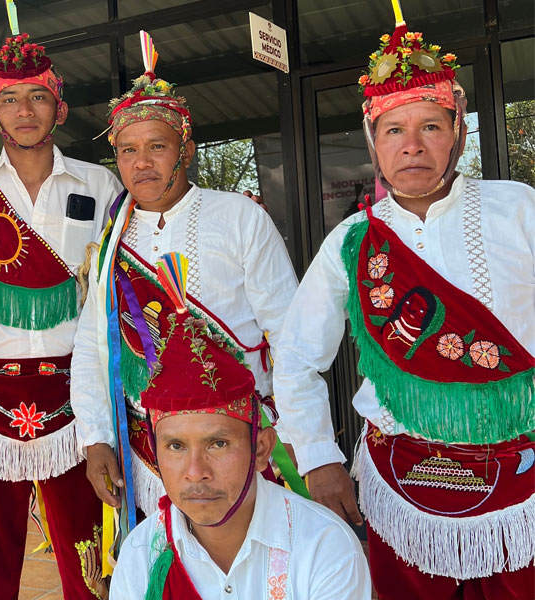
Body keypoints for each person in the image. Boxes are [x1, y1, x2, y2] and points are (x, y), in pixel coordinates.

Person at [273, 7, 535, 600]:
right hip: (401, 482)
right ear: (373, 142)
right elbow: (294, 357)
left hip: (523, 478)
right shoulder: (350, 240)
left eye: (431, 127)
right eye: (394, 129)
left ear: (458, 133)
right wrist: (317, 457)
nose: (412, 146)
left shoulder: (519, 209)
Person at [70, 31, 301, 523]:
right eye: (128, 150)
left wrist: (292, 428)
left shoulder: (239, 216)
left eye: (157, 146)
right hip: (145, 449)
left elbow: (290, 333)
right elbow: (91, 346)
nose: (141, 162)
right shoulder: (113, 238)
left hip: (237, 436)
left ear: (188, 150)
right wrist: (95, 439)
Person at [0, 33, 122, 599]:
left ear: (58, 107)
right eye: (10, 99)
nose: (24, 111)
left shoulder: (99, 181)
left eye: (36, 97)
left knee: (83, 550)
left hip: (74, 389)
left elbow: (108, 293)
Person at [109, 279, 371, 598]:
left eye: (217, 444)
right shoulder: (140, 557)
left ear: (261, 449)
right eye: (175, 446)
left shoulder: (323, 549)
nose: (195, 471)